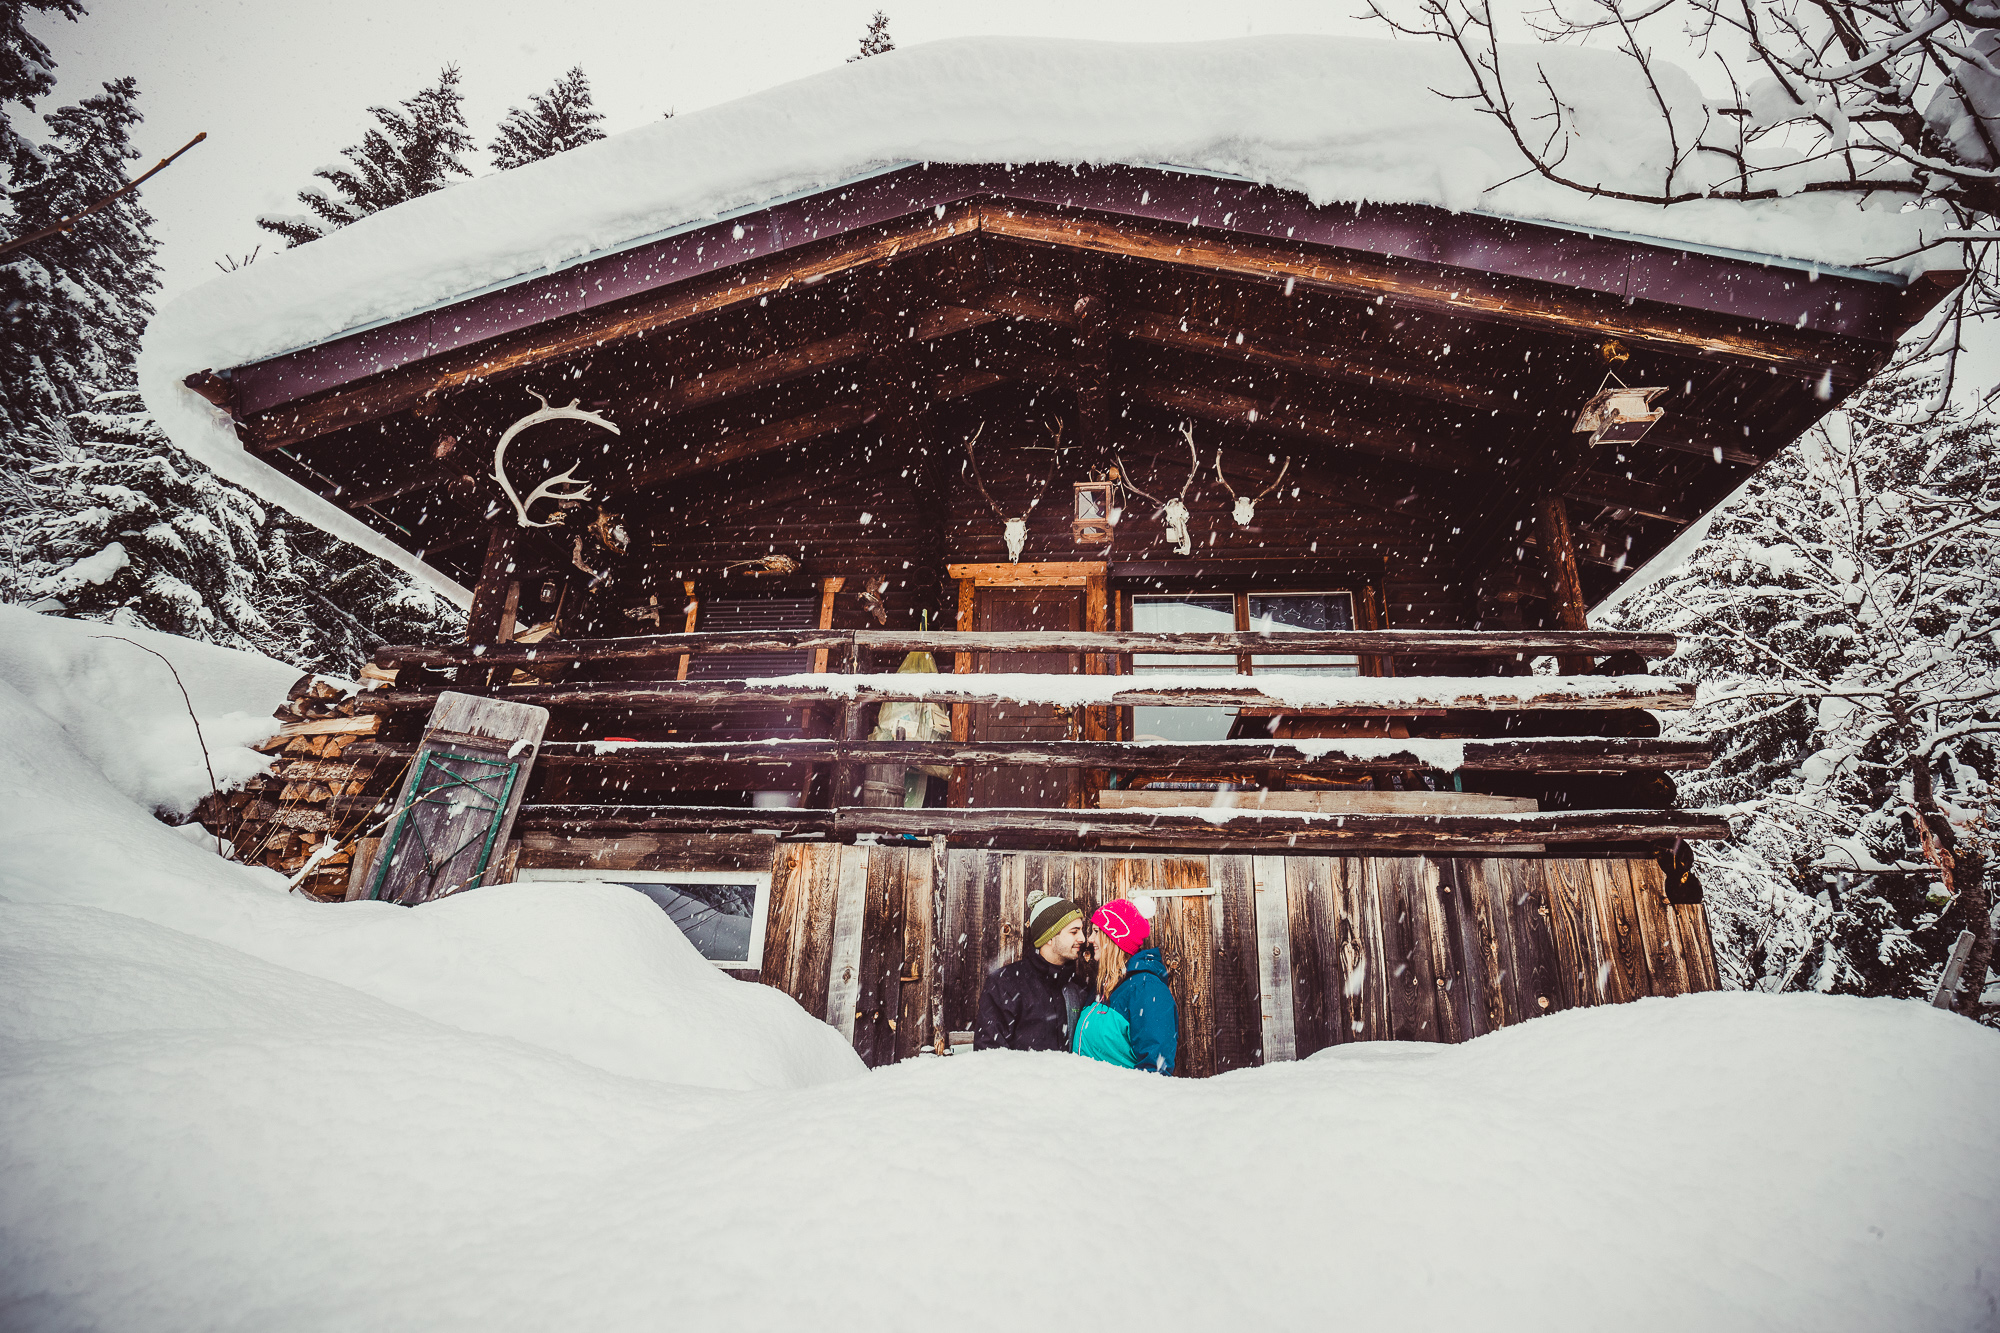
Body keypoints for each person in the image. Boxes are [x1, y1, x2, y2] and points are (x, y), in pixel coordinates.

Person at [1071, 896, 1178, 1075]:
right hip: (1088, 1098)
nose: (1090, 939)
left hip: (1117, 1100)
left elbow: (1156, 1069)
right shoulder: (1106, 985)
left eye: (1097, 931)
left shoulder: (1147, 989)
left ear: (1114, 938)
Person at [973, 890, 1090, 1053]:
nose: (1082, 938)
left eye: (1081, 930)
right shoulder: (1005, 983)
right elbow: (989, 1052)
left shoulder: (1078, 987)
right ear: (1049, 936)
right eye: (1074, 931)